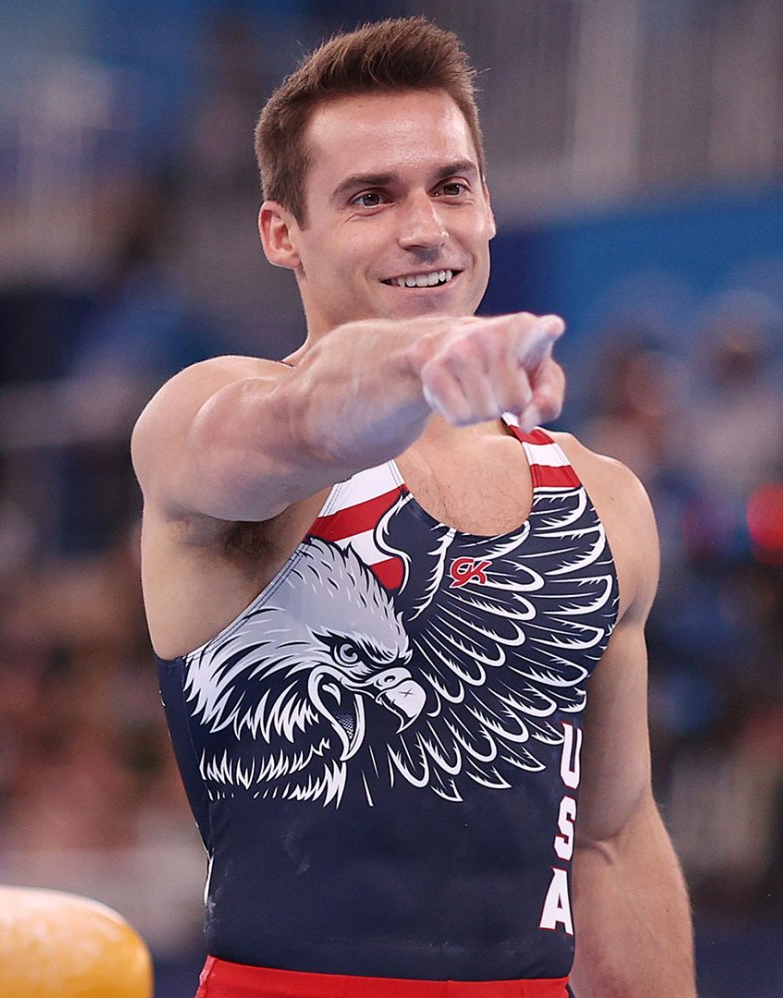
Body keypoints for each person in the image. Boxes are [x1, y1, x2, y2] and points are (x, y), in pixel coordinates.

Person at [133, 17, 693, 997]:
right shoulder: (213, 427)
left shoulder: (601, 500)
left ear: (486, 207)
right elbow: (312, 413)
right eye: (369, 197)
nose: (423, 227)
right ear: (282, 234)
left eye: (450, 185)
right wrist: (419, 360)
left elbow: (609, 838)